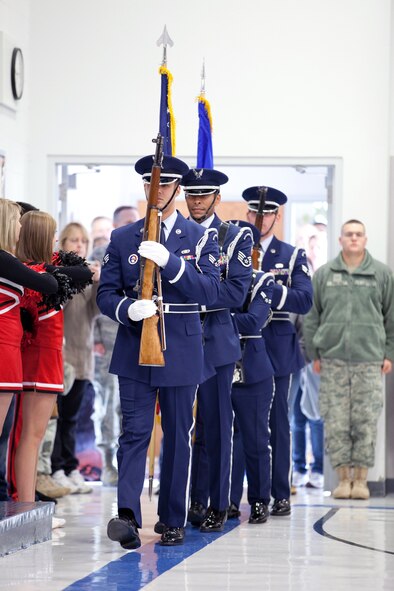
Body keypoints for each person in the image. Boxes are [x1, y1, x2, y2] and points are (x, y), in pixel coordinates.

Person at [97, 154, 220, 548]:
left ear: (177, 190)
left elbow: (213, 292)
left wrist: (171, 264)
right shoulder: (122, 238)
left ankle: (172, 519)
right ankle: (128, 517)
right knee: (133, 433)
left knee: (177, 435)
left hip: (181, 347)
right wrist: (126, 309)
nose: (157, 191)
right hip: (135, 345)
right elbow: (105, 294)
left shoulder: (200, 238)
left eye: (165, 185)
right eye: (151, 184)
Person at [181, 168, 253, 532]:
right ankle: (189, 499)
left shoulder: (234, 235)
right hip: (177, 336)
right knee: (182, 426)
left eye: (203, 195)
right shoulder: (173, 234)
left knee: (217, 425)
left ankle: (218, 503)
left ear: (216, 198)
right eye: (190, 194)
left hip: (214, 337)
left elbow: (237, 292)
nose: (196, 201)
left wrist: (190, 292)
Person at [303, 219, 394, 499]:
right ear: (341, 240)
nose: (354, 238)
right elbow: (312, 316)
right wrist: (314, 353)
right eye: (348, 235)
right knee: (336, 420)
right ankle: (344, 479)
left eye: (358, 234)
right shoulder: (325, 275)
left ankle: (362, 481)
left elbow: (390, 317)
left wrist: (388, 352)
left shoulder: (381, 274)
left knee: (365, 420)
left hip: (369, 361)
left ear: (365, 240)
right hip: (332, 360)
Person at [8, 211, 92, 504]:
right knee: (29, 437)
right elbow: (61, 280)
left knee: (36, 435)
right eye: (53, 234)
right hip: (37, 359)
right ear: (42, 236)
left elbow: (83, 273)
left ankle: (27, 503)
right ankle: (24, 503)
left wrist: (47, 267)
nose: (58, 240)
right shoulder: (24, 272)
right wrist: (45, 270)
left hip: (50, 359)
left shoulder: (41, 269)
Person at [243, 186, 313, 515]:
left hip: (277, 344)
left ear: (276, 216)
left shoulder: (293, 255)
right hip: (244, 343)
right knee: (243, 423)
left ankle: (280, 492)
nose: (259, 219)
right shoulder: (237, 251)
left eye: (266, 213)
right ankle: (246, 494)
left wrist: (269, 291)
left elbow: (304, 299)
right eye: (254, 213)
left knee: (278, 421)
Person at [229, 220, 276, 524]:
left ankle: (260, 499)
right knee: (222, 439)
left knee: (256, 439)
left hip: (254, 370)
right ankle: (226, 501)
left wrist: (221, 319)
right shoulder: (217, 278)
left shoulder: (263, 280)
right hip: (218, 366)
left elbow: (254, 321)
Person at [0, 199, 58, 436]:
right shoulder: (4, 259)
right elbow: (49, 284)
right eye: (16, 221)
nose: (21, 228)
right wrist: (48, 268)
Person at [51, 222, 101, 495]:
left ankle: (70, 467)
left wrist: (97, 282)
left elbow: (95, 312)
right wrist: (76, 276)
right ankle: (56, 467)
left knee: (73, 418)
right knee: (57, 416)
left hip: (84, 359)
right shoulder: (61, 274)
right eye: (73, 240)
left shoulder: (88, 277)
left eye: (83, 241)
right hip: (62, 357)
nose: (79, 245)